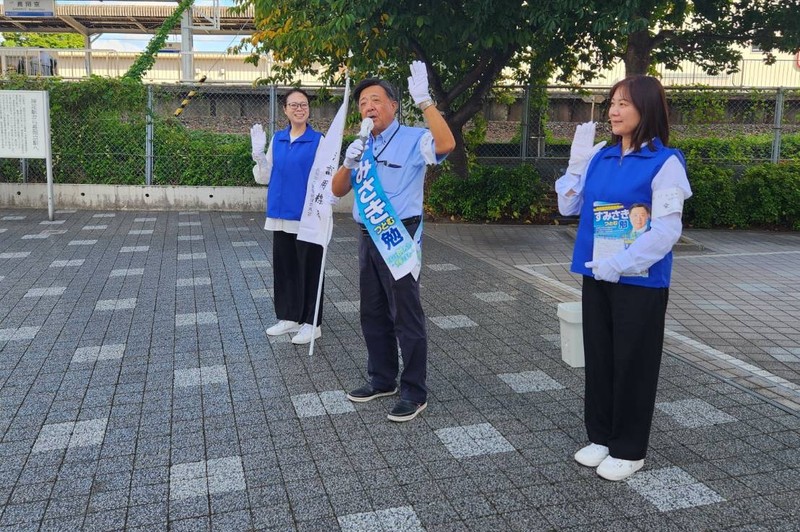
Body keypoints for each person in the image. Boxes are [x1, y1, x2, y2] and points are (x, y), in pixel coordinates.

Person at [555, 76, 692, 481]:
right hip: (598, 274)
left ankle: (629, 448)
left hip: (640, 281)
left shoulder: (665, 162)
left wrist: (626, 262)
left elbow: (668, 231)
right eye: (612, 103)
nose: (613, 111)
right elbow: (568, 205)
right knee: (599, 356)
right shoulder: (600, 154)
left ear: (646, 109)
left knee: (633, 362)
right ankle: (601, 436)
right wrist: (577, 164)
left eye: (624, 104)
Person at [331, 61, 455, 422]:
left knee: (406, 315)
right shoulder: (360, 145)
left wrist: (425, 101)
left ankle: (414, 391)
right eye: (363, 103)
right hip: (367, 235)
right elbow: (338, 191)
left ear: (393, 105)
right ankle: (382, 378)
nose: (368, 107)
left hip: (398, 234)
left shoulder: (414, 138)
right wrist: (348, 164)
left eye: (375, 100)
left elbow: (446, 144)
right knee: (371, 312)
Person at [251, 89, 326, 345]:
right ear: (284, 110)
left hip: (306, 217)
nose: (298, 108)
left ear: (308, 109)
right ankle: (289, 317)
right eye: (293, 104)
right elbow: (264, 178)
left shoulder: (318, 140)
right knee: (285, 268)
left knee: (309, 269)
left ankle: (311, 322)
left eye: (303, 104)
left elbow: (326, 179)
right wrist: (259, 157)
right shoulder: (278, 140)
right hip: (280, 215)